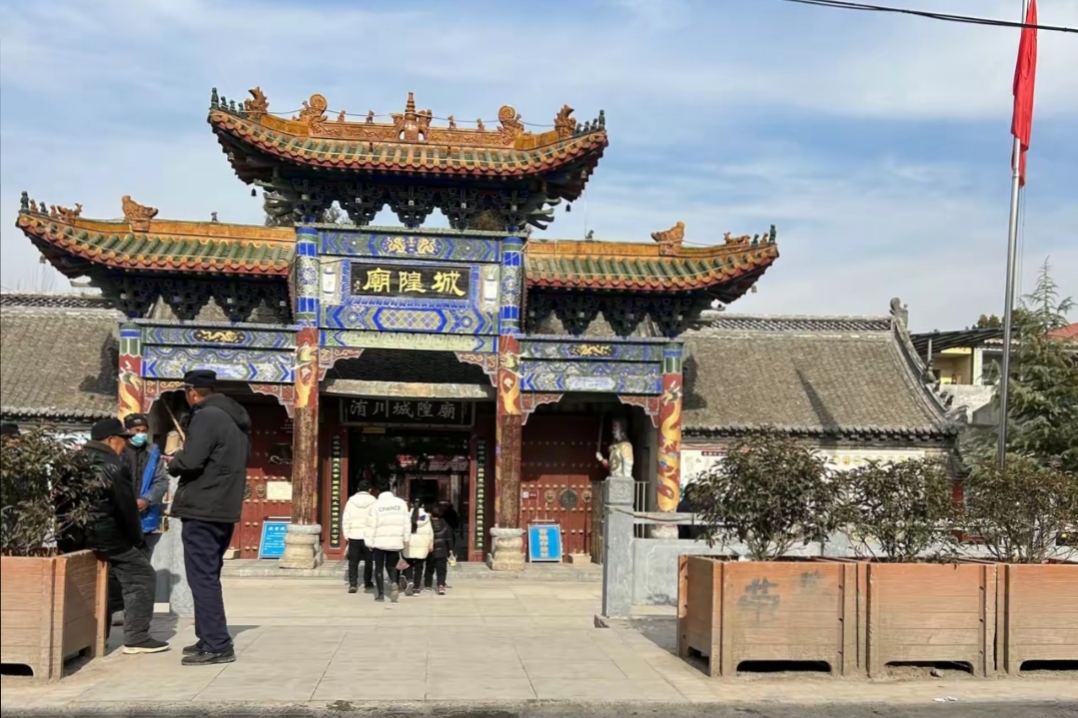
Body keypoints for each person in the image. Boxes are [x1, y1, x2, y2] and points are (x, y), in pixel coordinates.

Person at [168, 369, 250, 666]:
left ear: (191, 392)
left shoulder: (206, 416)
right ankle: (207, 637)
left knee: (202, 578)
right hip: (223, 507)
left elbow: (191, 460)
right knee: (208, 575)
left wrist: (174, 461)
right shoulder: (234, 419)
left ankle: (217, 644)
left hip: (203, 505)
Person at [81, 418, 168, 654]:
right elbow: (126, 508)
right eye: (124, 438)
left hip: (80, 537)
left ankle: (92, 639)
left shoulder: (76, 460)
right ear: (111, 440)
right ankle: (137, 637)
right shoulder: (113, 465)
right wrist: (136, 539)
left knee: (99, 583)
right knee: (142, 575)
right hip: (109, 536)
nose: (126, 443)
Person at [109, 413, 171, 627]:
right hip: (119, 517)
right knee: (116, 568)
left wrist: (147, 499)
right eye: (136, 431)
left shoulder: (153, 452)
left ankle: (136, 612)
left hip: (145, 519)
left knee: (142, 567)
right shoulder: (116, 451)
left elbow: (161, 482)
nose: (140, 435)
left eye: (144, 431)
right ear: (127, 431)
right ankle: (117, 608)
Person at [365, 478, 409, 603]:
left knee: (379, 568)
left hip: (379, 542)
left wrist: (369, 542)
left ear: (378, 490)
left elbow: (371, 525)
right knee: (391, 566)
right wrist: (406, 538)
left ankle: (380, 594)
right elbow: (407, 523)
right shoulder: (401, 503)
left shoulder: (376, 505)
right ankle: (394, 582)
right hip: (395, 541)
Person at [341, 480, 376, 593]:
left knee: (353, 561)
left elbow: (346, 519)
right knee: (369, 561)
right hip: (368, 536)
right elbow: (376, 519)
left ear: (358, 489)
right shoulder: (374, 502)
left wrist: (346, 534)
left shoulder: (351, 502)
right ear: (370, 489)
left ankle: (353, 584)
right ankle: (367, 582)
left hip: (354, 535)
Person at [401, 503, 433, 596]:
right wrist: (431, 544)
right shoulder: (426, 518)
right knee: (419, 567)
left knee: (408, 565)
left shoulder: (407, 516)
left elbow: (403, 530)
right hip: (422, 545)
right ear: (422, 506)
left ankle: (409, 580)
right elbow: (430, 532)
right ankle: (416, 588)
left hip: (409, 545)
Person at [425, 504, 453, 595]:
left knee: (429, 568)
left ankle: (428, 585)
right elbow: (449, 538)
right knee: (441, 569)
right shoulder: (445, 524)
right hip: (442, 551)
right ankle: (441, 585)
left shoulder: (427, 524)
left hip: (430, 550)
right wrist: (450, 549)